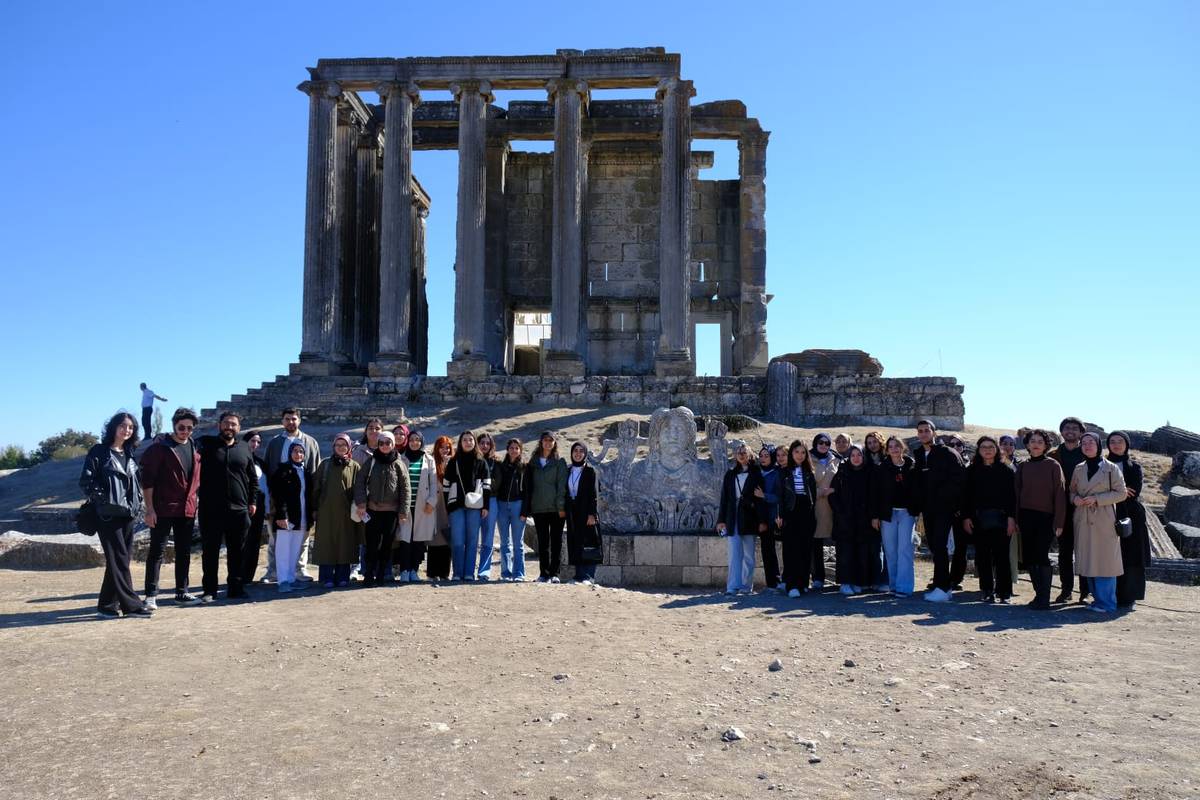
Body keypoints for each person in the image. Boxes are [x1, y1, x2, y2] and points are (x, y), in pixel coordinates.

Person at [80, 412, 151, 618]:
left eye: (130, 427)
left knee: (121, 559)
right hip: (108, 515)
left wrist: (137, 504)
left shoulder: (129, 452)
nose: (126, 430)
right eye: (123, 426)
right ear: (113, 427)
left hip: (128, 514)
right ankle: (132, 605)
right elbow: (86, 482)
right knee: (119, 559)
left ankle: (106, 605)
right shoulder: (99, 451)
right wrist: (106, 502)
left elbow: (134, 482)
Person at [139, 407, 202, 609]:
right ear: (174, 425)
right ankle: (150, 595)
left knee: (184, 552)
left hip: (187, 509)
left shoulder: (193, 446)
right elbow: (147, 481)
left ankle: (182, 592)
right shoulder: (159, 448)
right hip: (163, 508)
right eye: (181, 427)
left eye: (189, 428)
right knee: (157, 552)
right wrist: (149, 509)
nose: (185, 431)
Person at [196, 411, 259, 603]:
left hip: (239, 510)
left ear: (239, 428)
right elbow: (184, 441)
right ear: (219, 425)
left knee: (237, 552)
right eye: (226, 423)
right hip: (211, 509)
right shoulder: (206, 445)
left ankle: (236, 588)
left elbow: (253, 480)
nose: (229, 427)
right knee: (210, 551)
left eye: (233, 424)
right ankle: (209, 590)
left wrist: (252, 501)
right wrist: (160, 437)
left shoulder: (244, 449)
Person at [1069, 432, 1127, 614]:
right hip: (1083, 519)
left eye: (1091, 442)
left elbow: (1121, 493)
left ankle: (1107, 603)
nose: (1087, 446)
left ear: (1098, 445)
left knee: (1105, 562)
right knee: (1089, 560)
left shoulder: (1111, 468)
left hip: (1104, 519)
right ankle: (1097, 600)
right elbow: (1071, 492)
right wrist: (1075, 499)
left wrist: (1097, 499)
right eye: (1084, 443)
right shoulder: (1078, 468)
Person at [264, 408, 322, 583]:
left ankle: (299, 570)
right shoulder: (274, 443)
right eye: (287, 419)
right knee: (275, 537)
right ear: (282, 421)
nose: (291, 422)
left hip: (303, 497)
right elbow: (268, 469)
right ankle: (273, 571)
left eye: (294, 419)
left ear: (300, 420)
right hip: (279, 498)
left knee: (302, 536)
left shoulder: (310, 442)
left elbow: (315, 470)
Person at [912, 419, 965, 603]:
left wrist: (947, 500)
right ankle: (940, 583)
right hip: (928, 509)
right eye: (920, 431)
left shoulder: (948, 453)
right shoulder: (919, 454)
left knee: (941, 545)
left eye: (927, 430)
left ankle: (943, 587)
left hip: (944, 508)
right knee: (935, 546)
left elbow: (958, 480)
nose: (924, 433)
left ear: (934, 432)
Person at [1014, 429, 1067, 609]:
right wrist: (1015, 519)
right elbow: (1017, 494)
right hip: (1026, 516)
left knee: (1041, 555)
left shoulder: (1053, 465)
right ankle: (1038, 595)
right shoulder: (1023, 466)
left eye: (1040, 441)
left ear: (1045, 445)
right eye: (1032, 441)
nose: (1036, 444)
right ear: (1027, 444)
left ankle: (1044, 598)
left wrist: (1059, 521)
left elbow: (1060, 494)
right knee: (1029, 557)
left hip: (1046, 517)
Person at [963, 436, 1017, 603]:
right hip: (978, 518)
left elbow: (1011, 497)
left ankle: (1005, 592)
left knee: (1002, 556)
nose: (987, 450)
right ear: (979, 450)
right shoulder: (971, 471)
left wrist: (1011, 519)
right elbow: (966, 497)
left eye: (991, 447)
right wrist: (966, 517)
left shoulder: (1006, 471)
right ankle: (986, 590)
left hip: (1001, 518)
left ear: (996, 449)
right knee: (983, 556)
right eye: (983, 447)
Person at [353, 430, 410, 586]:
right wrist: (361, 503)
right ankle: (369, 574)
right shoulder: (371, 462)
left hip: (391, 512)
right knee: (371, 544)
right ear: (378, 444)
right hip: (372, 510)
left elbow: (405, 488)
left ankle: (381, 575)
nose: (385, 446)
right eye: (382, 443)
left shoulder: (399, 463)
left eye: (388, 443)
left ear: (393, 445)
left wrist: (403, 511)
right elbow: (360, 482)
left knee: (387, 544)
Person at [311, 433, 363, 589]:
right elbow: (316, 489)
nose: (341, 448)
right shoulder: (325, 465)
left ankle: (342, 577)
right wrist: (314, 508)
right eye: (338, 445)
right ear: (334, 447)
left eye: (344, 445)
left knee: (344, 545)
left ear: (349, 447)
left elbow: (359, 489)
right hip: (326, 512)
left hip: (346, 513)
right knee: (327, 544)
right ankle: (327, 577)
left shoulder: (354, 466)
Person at [1108, 431, 1151, 610]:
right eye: (1112, 441)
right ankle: (1109, 594)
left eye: (1120, 441)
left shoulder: (1134, 467)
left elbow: (1134, 492)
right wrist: (1120, 492)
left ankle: (1129, 596)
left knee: (1131, 556)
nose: (1116, 445)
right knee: (1110, 556)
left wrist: (1112, 493)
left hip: (1131, 516)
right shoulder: (1103, 465)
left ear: (1127, 444)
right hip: (1108, 513)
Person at [872, 436, 918, 596]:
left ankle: (904, 587)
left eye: (897, 446)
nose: (894, 449)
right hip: (888, 514)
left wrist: (916, 509)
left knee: (905, 549)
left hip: (907, 513)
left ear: (902, 448)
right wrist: (875, 516)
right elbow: (876, 494)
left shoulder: (912, 466)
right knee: (890, 551)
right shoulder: (882, 468)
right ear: (887, 450)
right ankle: (893, 585)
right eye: (890, 446)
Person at [716, 443, 765, 595]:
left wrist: (762, 520)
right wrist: (721, 520)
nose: (741, 454)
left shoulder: (756, 473)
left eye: (744, 452)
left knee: (749, 553)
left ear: (750, 455)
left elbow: (760, 500)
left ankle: (745, 586)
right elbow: (724, 498)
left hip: (750, 516)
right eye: (739, 452)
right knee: (734, 553)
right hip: (733, 515)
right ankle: (732, 586)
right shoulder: (730, 474)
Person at [442, 431, 490, 582]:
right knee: (457, 541)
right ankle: (457, 573)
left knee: (472, 540)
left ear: (474, 442)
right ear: (460, 442)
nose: (468, 442)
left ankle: (469, 573)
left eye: (471, 440)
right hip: (456, 507)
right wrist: (447, 506)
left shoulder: (481, 462)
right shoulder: (453, 462)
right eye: (465, 440)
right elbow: (446, 487)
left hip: (475, 507)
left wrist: (485, 507)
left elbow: (487, 486)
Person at [1050, 416, 1088, 603]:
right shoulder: (1053, 455)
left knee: (1085, 551)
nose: (1070, 431)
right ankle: (1066, 590)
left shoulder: (1089, 453)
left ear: (1081, 432)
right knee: (1065, 552)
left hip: (1085, 509)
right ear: (1062, 432)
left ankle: (1085, 591)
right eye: (1066, 428)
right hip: (1062, 509)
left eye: (1074, 428)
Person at [831, 446, 878, 594]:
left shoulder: (870, 472)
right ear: (849, 457)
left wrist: (872, 516)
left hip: (864, 520)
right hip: (845, 520)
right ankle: (845, 583)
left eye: (859, 455)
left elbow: (874, 496)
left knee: (862, 553)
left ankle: (859, 581)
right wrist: (840, 512)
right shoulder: (842, 473)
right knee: (845, 552)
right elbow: (833, 495)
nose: (856, 458)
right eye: (853, 455)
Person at [269, 442, 315, 593]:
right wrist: (282, 515)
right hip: (286, 517)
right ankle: (282, 580)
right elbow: (278, 495)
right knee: (283, 549)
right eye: (295, 451)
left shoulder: (306, 472)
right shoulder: (283, 470)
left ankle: (291, 578)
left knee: (295, 549)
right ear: (290, 453)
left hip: (301, 516)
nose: (298, 454)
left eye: (301, 452)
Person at [396, 431, 439, 582]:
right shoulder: (401, 458)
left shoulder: (429, 459)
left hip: (423, 505)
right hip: (405, 505)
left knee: (418, 540)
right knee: (405, 539)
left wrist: (432, 502)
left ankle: (414, 570)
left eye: (417, 440)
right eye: (412, 440)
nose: (414, 443)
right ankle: (404, 571)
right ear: (408, 441)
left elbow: (434, 483)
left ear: (422, 441)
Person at [525, 431, 568, 583]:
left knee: (556, 542)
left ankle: (555, 574)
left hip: (557, 509)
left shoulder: (559, 462)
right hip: (538, 508)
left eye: (551, 440)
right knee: (542, 543)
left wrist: (561, 506)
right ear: (541, 442)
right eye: (545, 440)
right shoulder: (533, 463)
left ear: (555, 443)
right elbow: (529, 486)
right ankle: (544, 573)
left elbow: (562, 486)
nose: (548, 443)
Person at [777, 439, 817, 597]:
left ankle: (802, 583)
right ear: (791, 453)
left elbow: (812, 496)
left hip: (806, 512)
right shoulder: (784, 472)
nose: (799, 455)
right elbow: (780, 495)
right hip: (790, 511)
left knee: (805, 548)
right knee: (791, 549)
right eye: (796, 452)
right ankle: (792, 584)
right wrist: (780, 515)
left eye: (802, 452)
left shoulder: (809, 473)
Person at [565, 442, 601, 584]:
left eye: (581, 451)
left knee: (589, 542)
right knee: (575, 542)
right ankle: (578, 575)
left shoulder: (590, 471)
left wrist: (592, 514)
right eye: (575, 450)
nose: (578, 453)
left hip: (586, 512)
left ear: (585, 454)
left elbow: (594, 494)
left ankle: (588, 576)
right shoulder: (568, 470)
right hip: (572, 511)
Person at [494, 438, 529, 582]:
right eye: (511, 447)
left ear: (520, 450)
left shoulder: (525, 468)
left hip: (518, 505)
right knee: (504, 542)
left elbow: (528, 491)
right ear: (507, 449)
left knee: (518, 543)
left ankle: (519, 573)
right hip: (502, 505)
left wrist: (525, 511)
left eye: (516, 448)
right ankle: (506, 573)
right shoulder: (501, 466)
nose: (514, 450)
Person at [810, 434, 839, 589]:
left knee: (839, 540)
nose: (824, 445)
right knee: (815, 542)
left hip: (832, 506)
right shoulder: (807, 458)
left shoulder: (835, 459)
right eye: (820, 442)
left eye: (827, 443)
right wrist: (819, 492)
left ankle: (842, 577)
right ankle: (817, 578)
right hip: (815, 505)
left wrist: (834, 490)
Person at [241, 431, 269, 586]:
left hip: (258, 506)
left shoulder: (260, 462)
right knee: (240, 541)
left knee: (254, 541)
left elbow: (265, 485)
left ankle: (248, 577)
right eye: (252, 441)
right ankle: (237, 575)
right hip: (241, 505)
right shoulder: (237, 458)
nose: (255, 445)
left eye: (258, 442)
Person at [862, 431, 890, 592]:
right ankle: (875, 579)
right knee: (874, 548)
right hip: (870, 510)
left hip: (886, 509)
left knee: (887, 549)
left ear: (881, 442)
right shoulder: (865, 462)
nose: (872, 445)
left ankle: (886, 579)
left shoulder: (887, 461)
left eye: (874, 441)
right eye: (869, 442)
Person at [754, 444, 783, 591]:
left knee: (778, 551)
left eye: (767, 456)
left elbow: (780, 496)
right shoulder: (756, 472)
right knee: (767, 550)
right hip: (760, 517)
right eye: (761, 456)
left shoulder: (777, 472)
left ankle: (780, 581)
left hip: (775, 517)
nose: (763, 459)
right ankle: (771, 582)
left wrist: (764, 496)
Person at [426, 436, 455, 581]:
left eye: (448, 447)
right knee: (434, 538)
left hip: (448, 505)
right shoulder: (431, 462)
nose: (446, 450)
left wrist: (447, 464)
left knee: (447, 538)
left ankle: (444, 573)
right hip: (435, 505)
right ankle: (432, 572)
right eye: (443, 447)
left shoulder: (454, 462)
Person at [474, 432, 502, 580]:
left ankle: (484, 571)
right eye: (482, 443)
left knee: (488, 538)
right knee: (472, 538)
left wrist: (485, 488)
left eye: (487, 443)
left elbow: (498, 482)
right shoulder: (472, 460)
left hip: (491, 501)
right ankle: (469, 569)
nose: (484, 446)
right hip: (472, 502)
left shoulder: (496, 463)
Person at [999, 434, 1022, 592]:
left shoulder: (1019, 464)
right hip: (995, 510)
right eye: (1004, 443)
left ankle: (1011, 581)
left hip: (1013, 510)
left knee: (1011, 549)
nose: (1007, 447)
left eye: (1011, 444)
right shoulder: (992, 461)